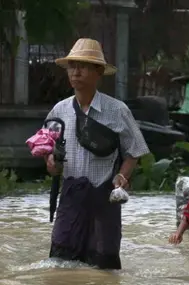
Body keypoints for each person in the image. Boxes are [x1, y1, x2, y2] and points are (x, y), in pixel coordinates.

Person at [44, 38, 150, 269]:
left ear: (98, 71)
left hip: (105, 196)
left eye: (83, 66)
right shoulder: (59, 110)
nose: (76, 72)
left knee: (104, 267)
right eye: (72, 66)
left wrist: (122, 177)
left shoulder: (117, 110)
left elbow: (134, 151)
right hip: (71, 196)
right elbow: (47, 150)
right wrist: (51, 162)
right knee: (60, 264)